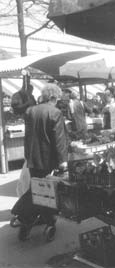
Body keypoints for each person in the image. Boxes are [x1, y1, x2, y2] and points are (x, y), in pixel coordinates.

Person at [11, 83, 68, 241]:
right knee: (43, 191)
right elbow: (59, 140)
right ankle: (25, 214)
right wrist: (63, 161)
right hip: (48, 159)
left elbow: (28, 137)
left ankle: (29, 220)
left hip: (33, 159)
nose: (57, 102)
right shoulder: (55, 112)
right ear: (53, 97)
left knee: (38, 189)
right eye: (57, 99)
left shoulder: (30, 111)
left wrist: (28, 156)